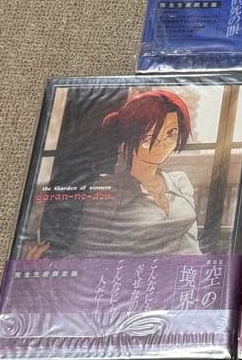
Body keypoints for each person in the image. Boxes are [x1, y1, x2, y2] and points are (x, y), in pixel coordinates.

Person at [22, 91, 202, 259]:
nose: (162, 144)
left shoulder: (179, 181)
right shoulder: (110, 190)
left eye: (171, 134)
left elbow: (192, 243)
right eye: (149, 137)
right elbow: (88, 251)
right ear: (126, 141)